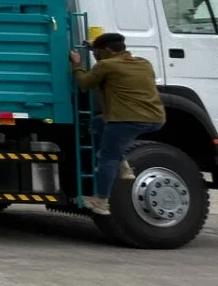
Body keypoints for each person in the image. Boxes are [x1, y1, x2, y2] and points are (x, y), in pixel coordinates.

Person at [69, 33, 166, 215]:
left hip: (125, 120)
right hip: (155, 118)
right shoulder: (144, 63)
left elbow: (84, 84)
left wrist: (77, 65)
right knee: (96, 124)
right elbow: (112, 59)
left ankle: (101, 201)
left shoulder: (106, 66)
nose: (94, 55)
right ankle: (124, 165)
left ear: (106, 50)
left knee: (107, 158)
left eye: (96, 52)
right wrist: (94, 46)